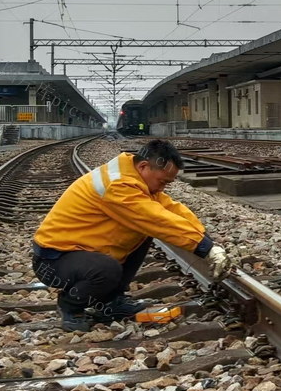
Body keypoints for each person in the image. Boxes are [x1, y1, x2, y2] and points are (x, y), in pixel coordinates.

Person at [32, 139, 230, 332]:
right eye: (162, 182)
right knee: (108, 268)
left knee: (142, 233)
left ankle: (111, 302)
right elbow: (156, 219)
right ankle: (70, 307)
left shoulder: (135, 178)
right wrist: (204, 248)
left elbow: (171, 209)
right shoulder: (118, 185)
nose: (163, 188)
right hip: (54, 259)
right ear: (144, 166)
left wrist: (207, 239)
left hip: (80, 250)